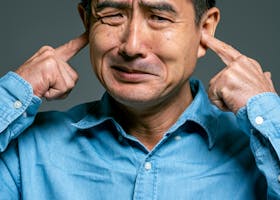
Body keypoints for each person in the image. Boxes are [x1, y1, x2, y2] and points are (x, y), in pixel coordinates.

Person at [0, 0, 279, 199]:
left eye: (159, 17)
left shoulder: (259, 155)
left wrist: (267, 111)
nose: (132, 46)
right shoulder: (27, 150)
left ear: (204, 29)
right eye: (111, 14)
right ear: (87, 21)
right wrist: (12, 93)